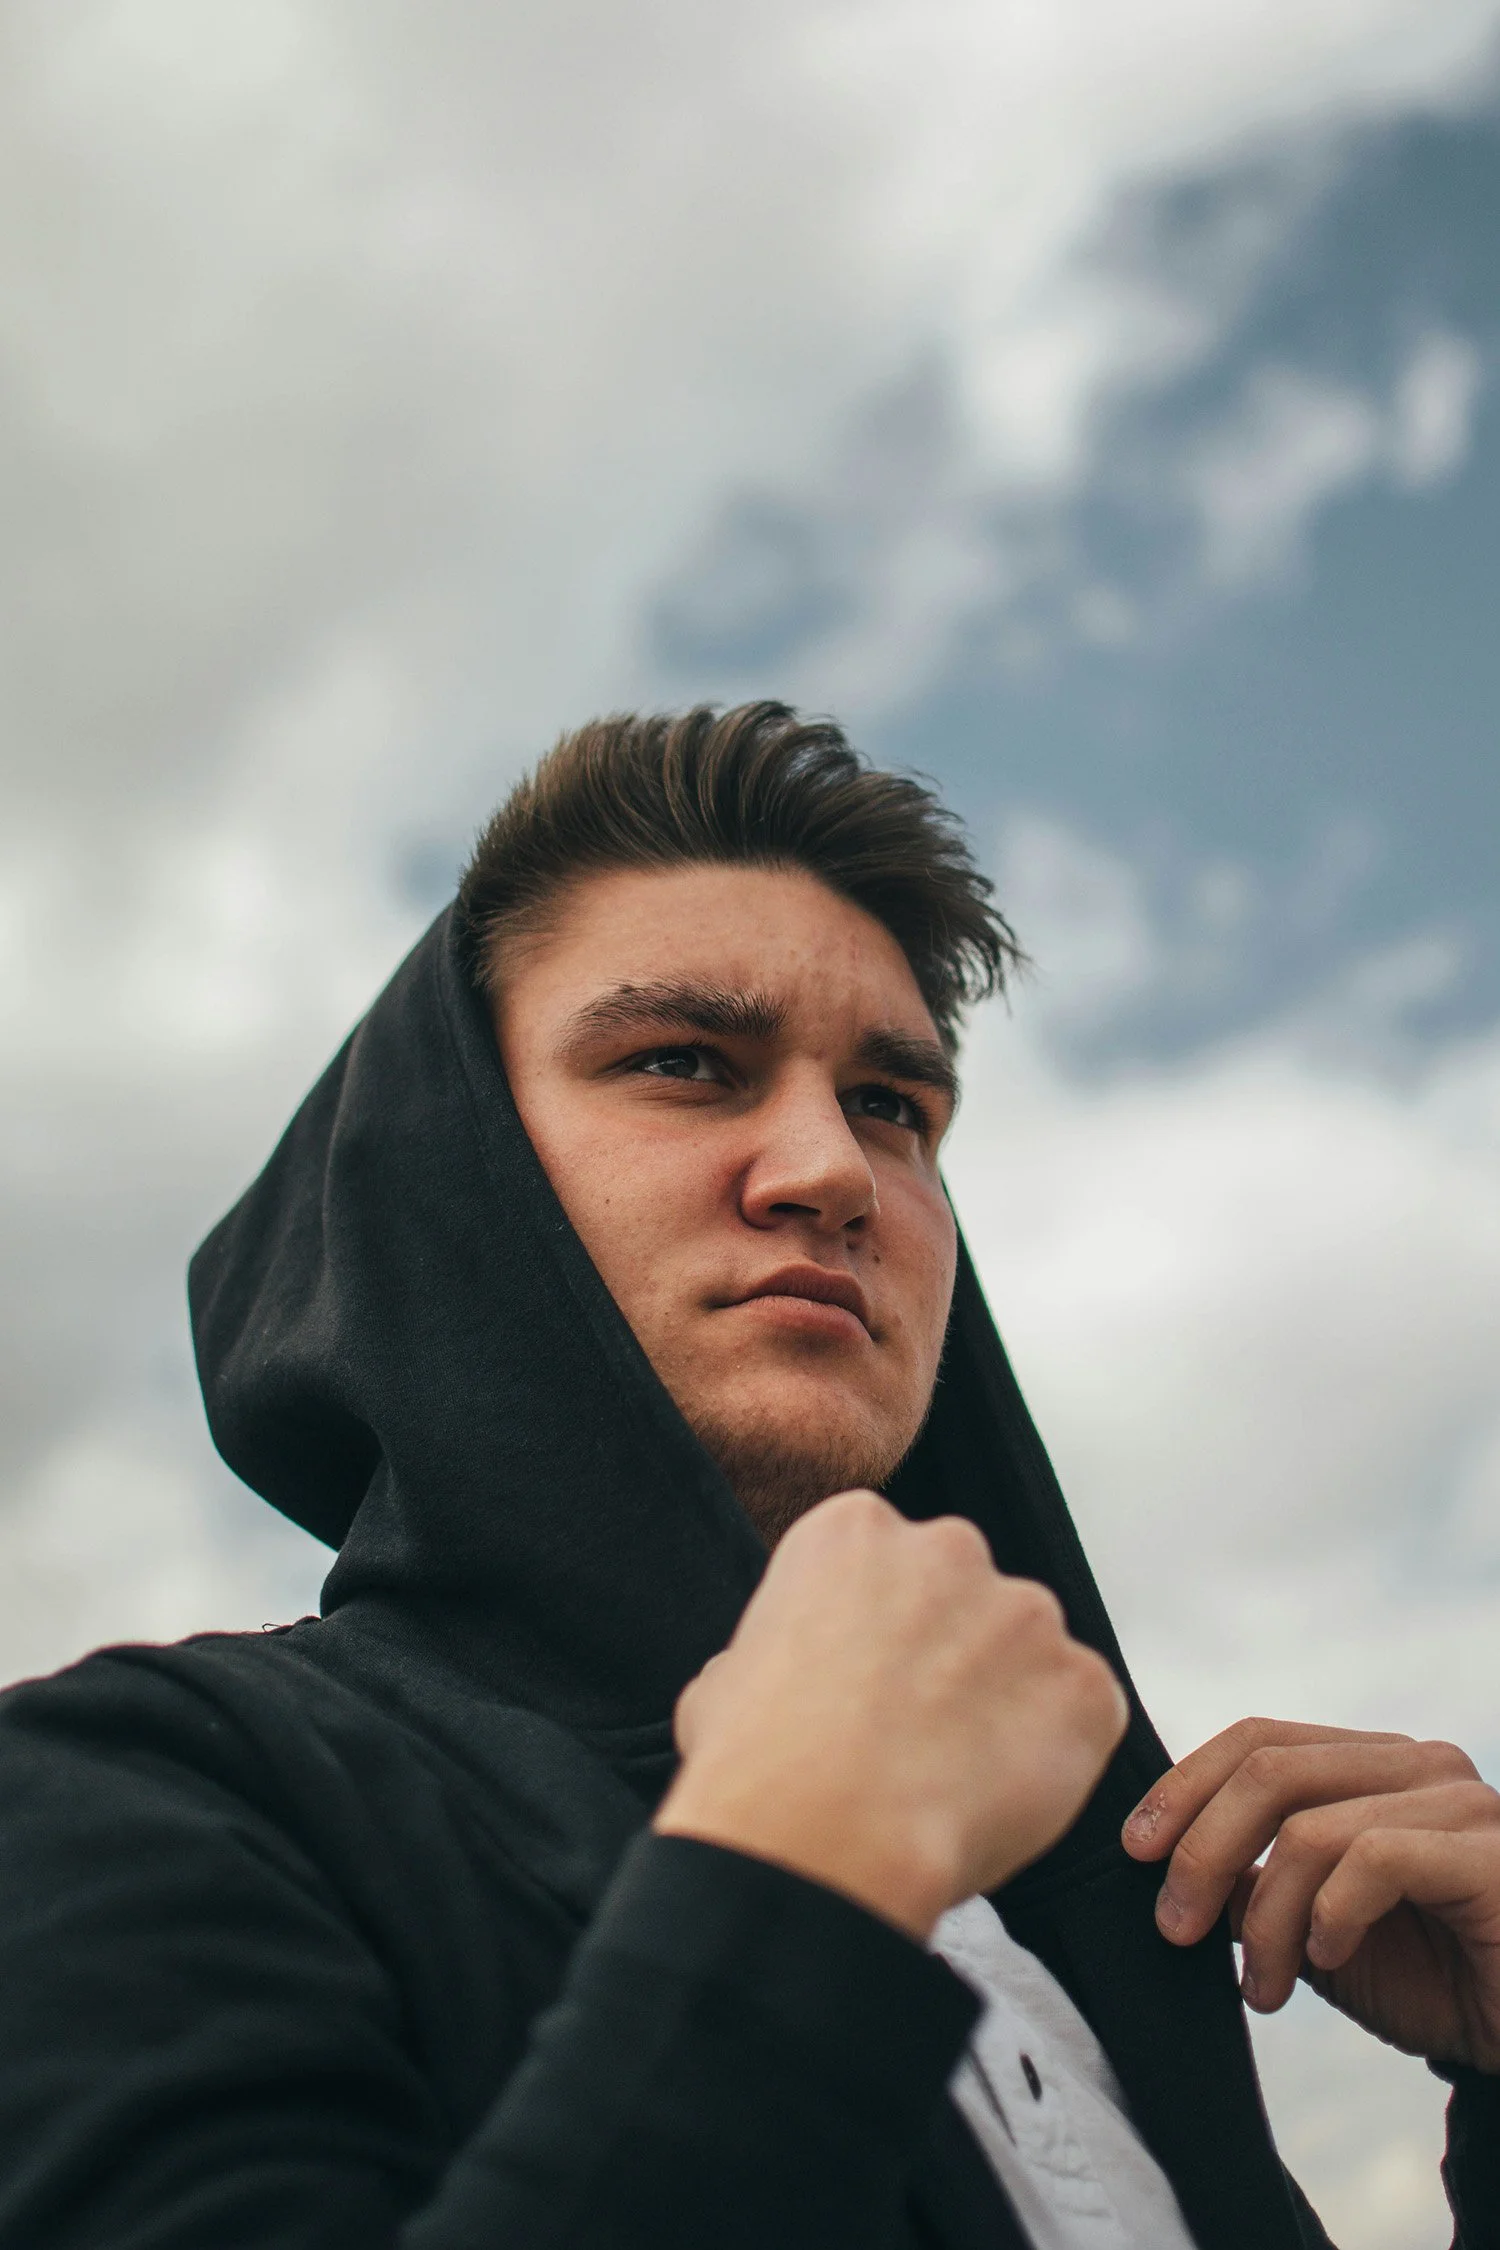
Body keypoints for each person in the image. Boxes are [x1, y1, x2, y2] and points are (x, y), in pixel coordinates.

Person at [0, 702, 1494, 2250]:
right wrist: (806, 1891)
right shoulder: (146, 1794)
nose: (834, 1172)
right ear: (454, 1172)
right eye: (685, 1060)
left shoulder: (1096, 1930)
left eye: (892, 1105)